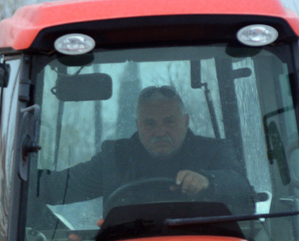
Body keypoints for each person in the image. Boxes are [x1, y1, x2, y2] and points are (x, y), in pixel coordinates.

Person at [40, 85, 254, 219]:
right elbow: (56, 188)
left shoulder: (214, 152)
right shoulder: (116, 158)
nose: (160, 132)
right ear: (137, 125)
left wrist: (209, 181)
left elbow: (242, 188)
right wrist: (17, 182)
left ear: (186, 121)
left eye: (169, 121)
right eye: (150, 123)